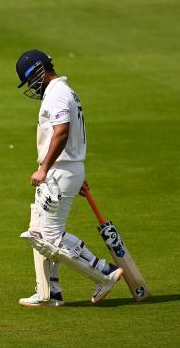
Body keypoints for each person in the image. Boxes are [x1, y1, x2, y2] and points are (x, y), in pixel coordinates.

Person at [14, 49, 123, 306]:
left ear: (40, 71)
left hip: (60, 171)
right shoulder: (61, 92)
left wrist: (45, 169)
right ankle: (51, 292)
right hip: (64, 170)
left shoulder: (57, 94)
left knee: (49, 238)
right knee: (41, 230)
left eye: (30, 80)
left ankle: (104, 273)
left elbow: (62, 133)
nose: (31, 86)